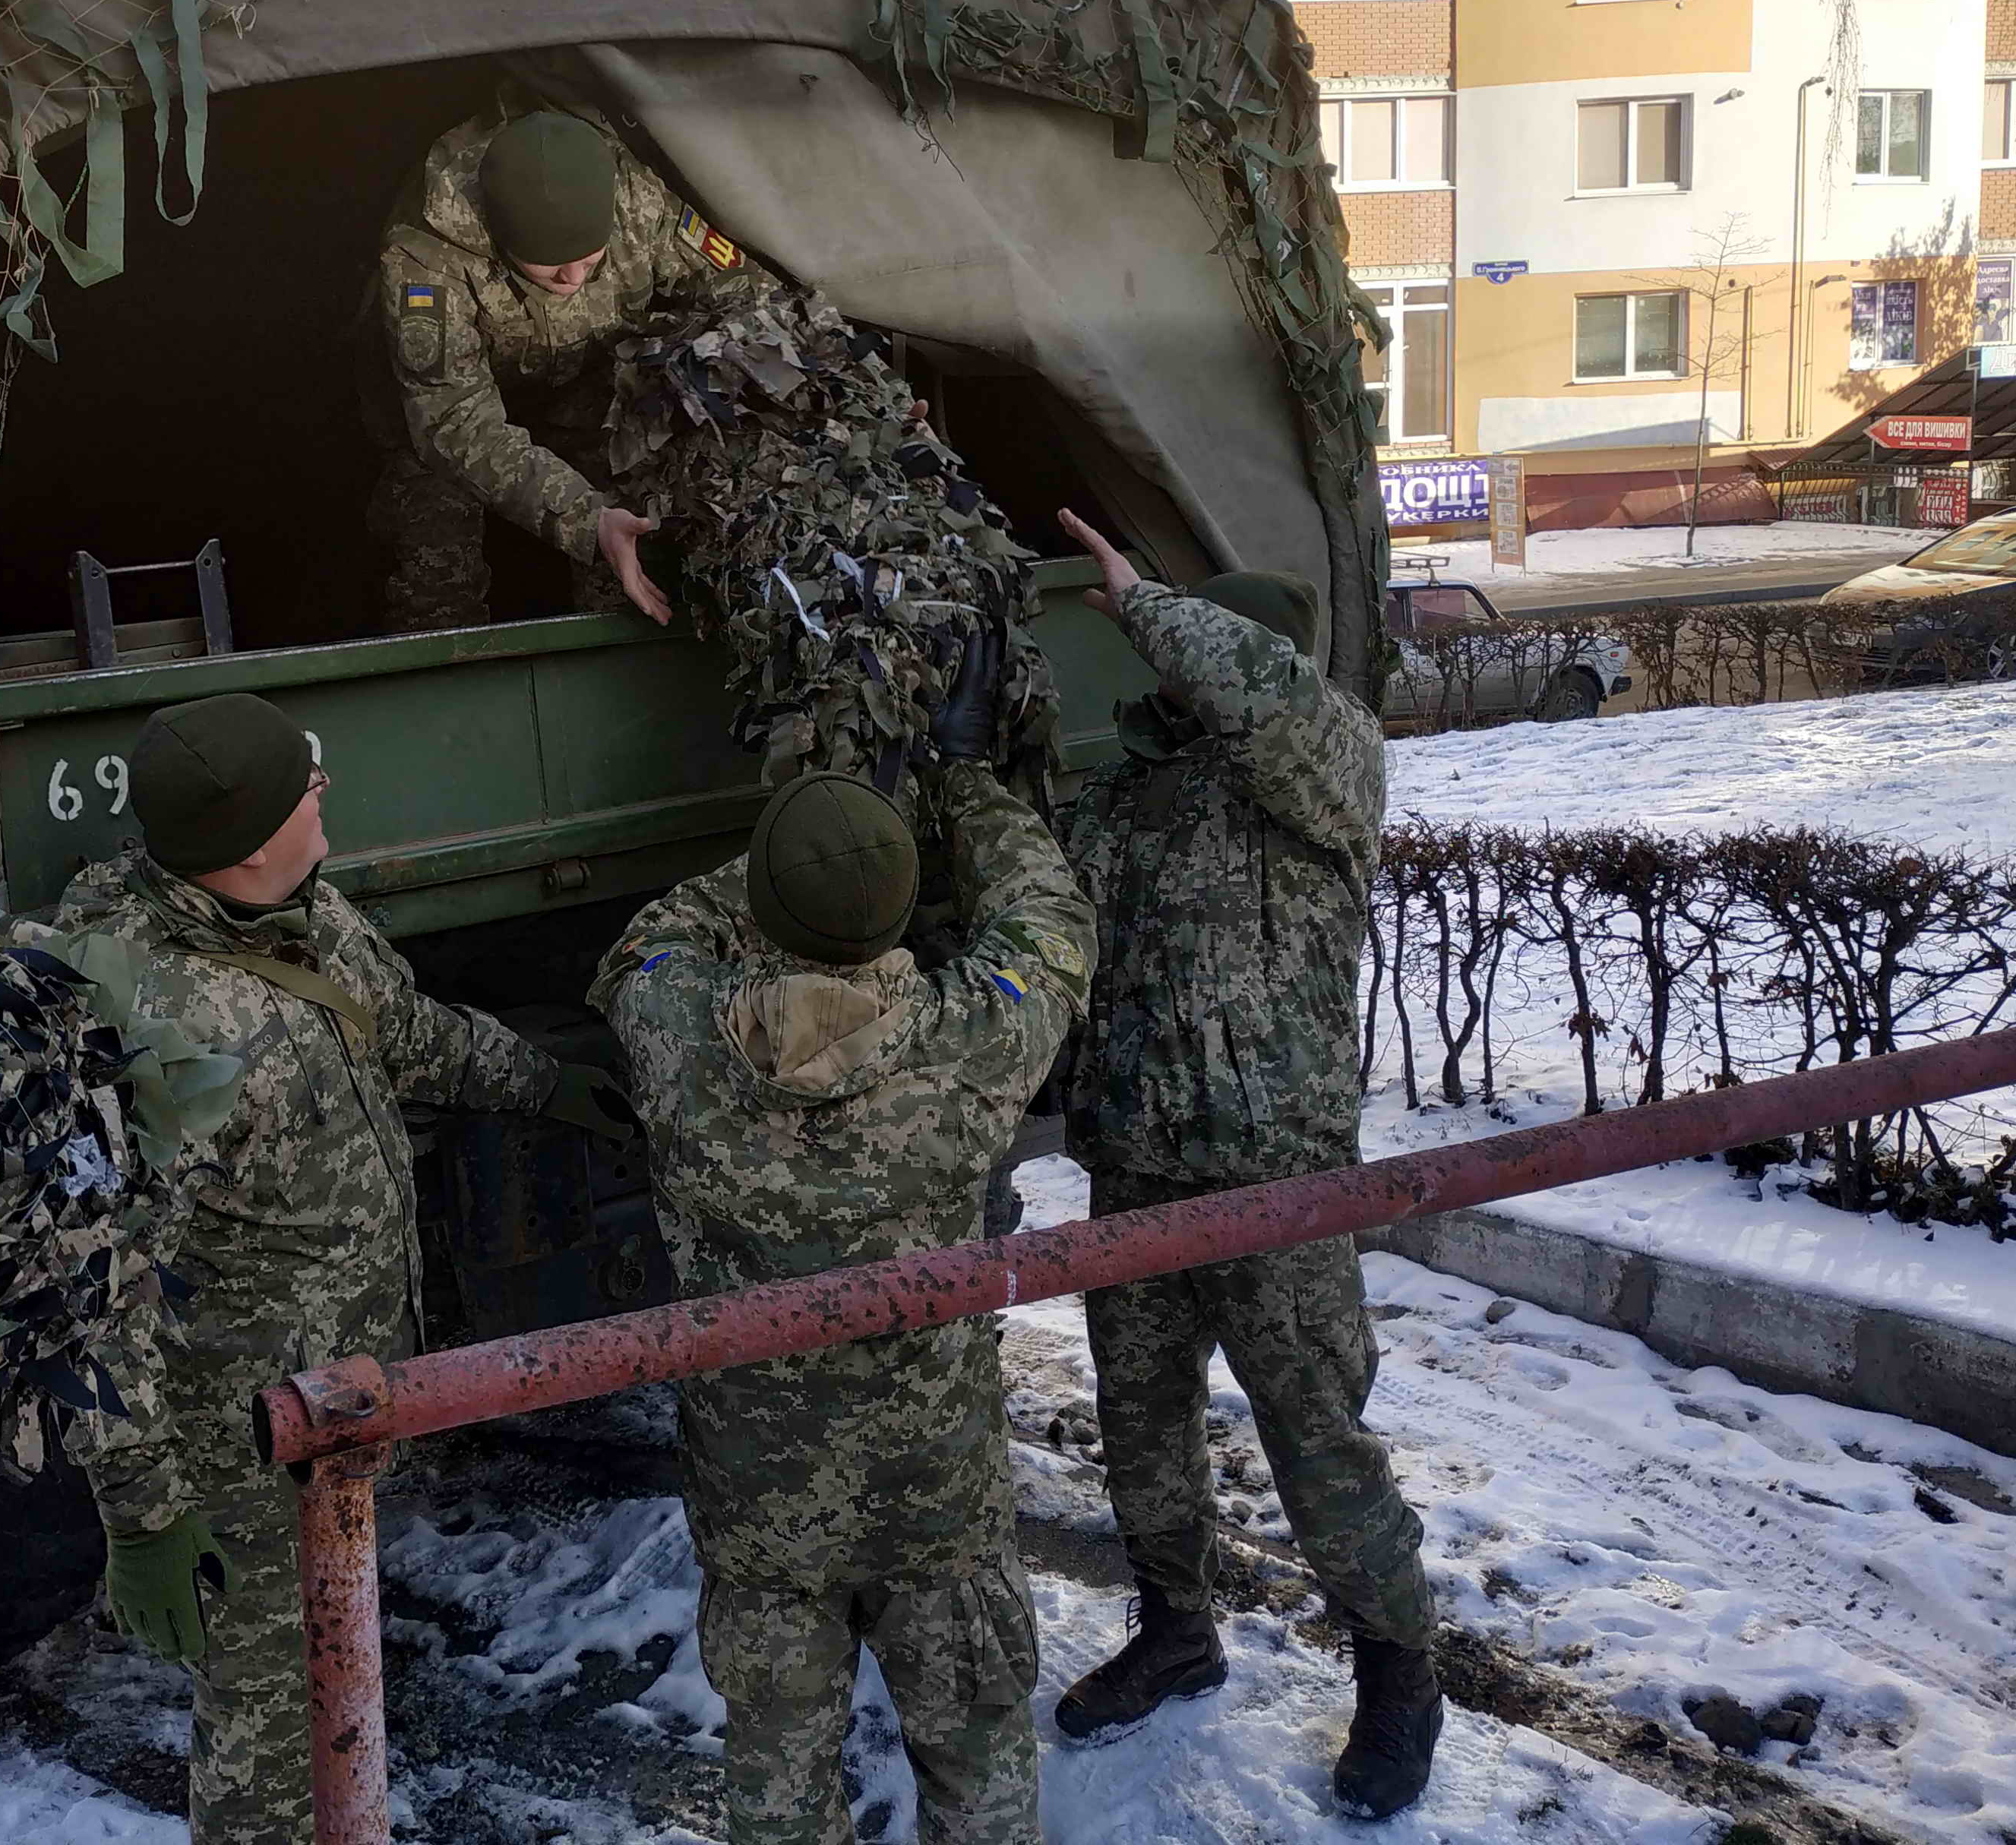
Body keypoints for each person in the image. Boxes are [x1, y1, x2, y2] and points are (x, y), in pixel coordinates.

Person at [47, 690, 624, 1845]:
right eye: (305, 784)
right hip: (249, 1445)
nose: (327, 789)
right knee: (264, 1749)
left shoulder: (294, 914)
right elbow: (89, 1282)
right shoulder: (166, 1026)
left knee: (332, 1701)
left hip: (340, 1412)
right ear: (253, 840)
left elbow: (402, 1032)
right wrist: (146, 1512)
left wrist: (549, 1083)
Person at [586, 638, 1094, 1845]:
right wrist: (958, 782)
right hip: (939, 1498)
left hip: (762, 1509)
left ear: (757, 910)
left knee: (777, 1782)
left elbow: (645, 943)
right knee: (977, 1762)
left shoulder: (675, 1039)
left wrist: (785, 858)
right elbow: (1048, 916)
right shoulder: (978, 1043)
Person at [1045, 508, 1442, 1819]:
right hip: (1137, 1177)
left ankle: (1400, 1673)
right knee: (1140, 1430)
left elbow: (1267, 699)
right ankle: (1174, 1625)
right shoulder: (1130, 795)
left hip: (1278, 1186)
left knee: (1318, 1438)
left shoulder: (1327, 766)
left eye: (1195, 648)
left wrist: (1144, 603)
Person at [368, 101, 777, 631]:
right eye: (550, 264)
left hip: (588, 397)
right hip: (441, 427)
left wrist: (839, 394)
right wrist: (587, 520)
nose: (571, 279)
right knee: (437, 577)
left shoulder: (635, 199)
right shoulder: (424, 259)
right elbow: (456, 421)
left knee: (633, 565)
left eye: (589, 260)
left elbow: (748, 297)